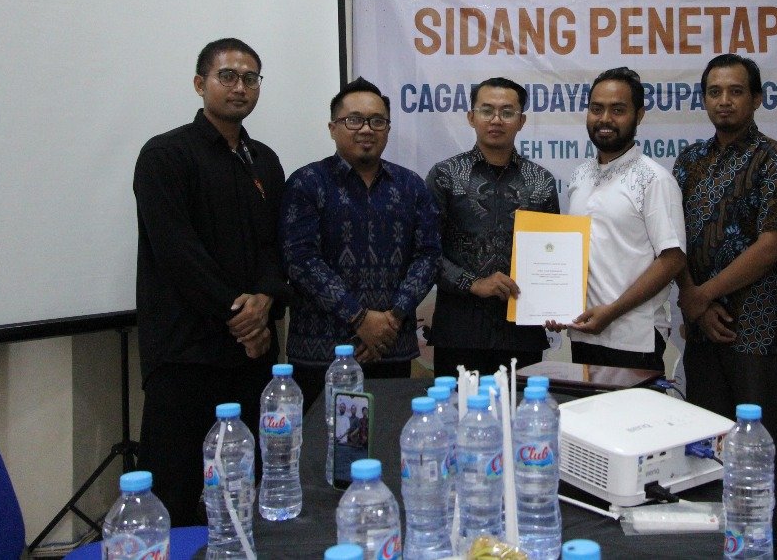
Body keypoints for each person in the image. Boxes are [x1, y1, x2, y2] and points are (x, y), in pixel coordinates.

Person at [133, 37, 289, 525]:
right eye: (228, 76)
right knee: (175, 495)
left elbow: (274, 246)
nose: (240, 87)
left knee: (250, 493)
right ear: (200, 84)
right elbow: (178, 254)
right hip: (185, 354)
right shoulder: (165, 155)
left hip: (251, 357)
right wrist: (241, 318)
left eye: (250, 78)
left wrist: (265, 301)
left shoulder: (264, 160)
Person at [672, 54, 777, 557]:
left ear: (757, 98)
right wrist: (693, 301)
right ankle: (714, 543)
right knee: (707, 446)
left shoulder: (774, 160)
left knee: (760, 449)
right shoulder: (688, 161)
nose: (724, 101)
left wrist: (703, 294)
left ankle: (769, 545)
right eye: (715, 92)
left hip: (756, 329)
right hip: (703, 329)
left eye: (736, 91)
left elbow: (771, 246)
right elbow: (673, 242)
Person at [281, 77, 440, 401]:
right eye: (354, 120)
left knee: (390, 432)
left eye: (377, 121)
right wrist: (360, 318)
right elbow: (300, 260)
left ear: (388, 128)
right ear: (333, 128)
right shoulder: (307, 183)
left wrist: (391, 319)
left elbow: (429, 255)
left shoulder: (411, 186)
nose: (366, 129)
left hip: (390, 348)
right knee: (322, 435)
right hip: (321, 353)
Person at [549, 66, 686, 371]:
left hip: (633, 339)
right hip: (584, 333)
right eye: (596, 109)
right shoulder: (580, 176)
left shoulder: (654, 179)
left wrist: (611, 312)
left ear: (639, 115)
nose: (605, 119)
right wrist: (554, 305)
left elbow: (672, 259)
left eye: (618, 110)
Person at [426, 77, 560, 377]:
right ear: (471, 117)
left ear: (521, 121)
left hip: (523, 333)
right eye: (487, 110)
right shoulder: (446, 176)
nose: (496, 119)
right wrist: (472, 283)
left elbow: (553, 254)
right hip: (459, 332)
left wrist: (555, 303)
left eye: (507, 112)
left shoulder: (541, 181)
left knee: (524, 407)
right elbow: (425, 252)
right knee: (457, 407)